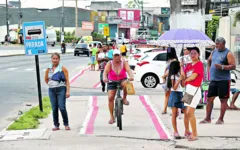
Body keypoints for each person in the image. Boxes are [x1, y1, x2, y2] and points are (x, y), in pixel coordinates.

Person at [200, 37, 236, 125]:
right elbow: (209, 60)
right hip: (213, 79)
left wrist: (222, 67)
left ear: (223, 44)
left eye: (218, 44)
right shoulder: (214, 51)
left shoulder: (228, 53)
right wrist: (209, 69)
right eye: (216, 43)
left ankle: (221, 119)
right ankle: (207, 118)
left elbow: (233, 66)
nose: (216, 45)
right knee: (209, 99)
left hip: (224, 80)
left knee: (223, 100)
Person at [103, 50, 134, 124]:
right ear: (113, 56)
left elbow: (129, 70)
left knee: (127, 83)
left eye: (118, 55)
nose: (117, 57)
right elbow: (105, 72)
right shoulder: (109, 63)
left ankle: (124, 98)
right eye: (115, 55)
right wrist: (104, 78)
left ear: (120, 55)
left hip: (122, 80)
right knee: (110, 98)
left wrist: (131, 76)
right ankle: (111, 117)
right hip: (112, 82)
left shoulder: (124, 63)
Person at [181, 47, 204, 141]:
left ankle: (194, 134)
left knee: (190, 112)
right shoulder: (189, 65)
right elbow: (183, 75)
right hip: (188, 90)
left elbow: (194, 76)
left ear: (198, 54)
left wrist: (186, 80)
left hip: (195, 90)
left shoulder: (199, 64)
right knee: (185, 113)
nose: (193, 55)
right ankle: (187, 131)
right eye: (191, 53)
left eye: (195, 53)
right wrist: (181, 66)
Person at [44, 53, 70, 131]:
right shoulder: (48, 69)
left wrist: (68, 91)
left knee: (62, 107)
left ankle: (66, 124)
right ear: (51, 59)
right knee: (54, 108)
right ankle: (56, 125)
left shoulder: (63, 69)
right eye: (53, 58)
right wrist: (50, 84)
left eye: (56, 59)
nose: (55, 60)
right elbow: (46, 79)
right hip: (52, 90)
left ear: (59, 59)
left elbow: (67, 80)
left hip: (61, 89)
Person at [167, 61, 190, 139]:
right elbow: (174, 87)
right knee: (174, 114)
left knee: (186, 112)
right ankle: (175, 131)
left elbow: (183, 85)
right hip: (174, 94)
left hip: (181, 94)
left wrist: (182, 78)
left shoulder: (180, 74)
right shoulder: (173, 76)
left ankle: (187, 130)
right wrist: (180, 79)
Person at [162, 47, 178, 114]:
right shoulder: (170, 61)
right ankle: (165, 109)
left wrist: (164, 76)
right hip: (168, 79)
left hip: (171, 79)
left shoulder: (174, 61)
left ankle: (172, 110)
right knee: (168, 95)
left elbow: (170, 71)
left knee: (171, 95)